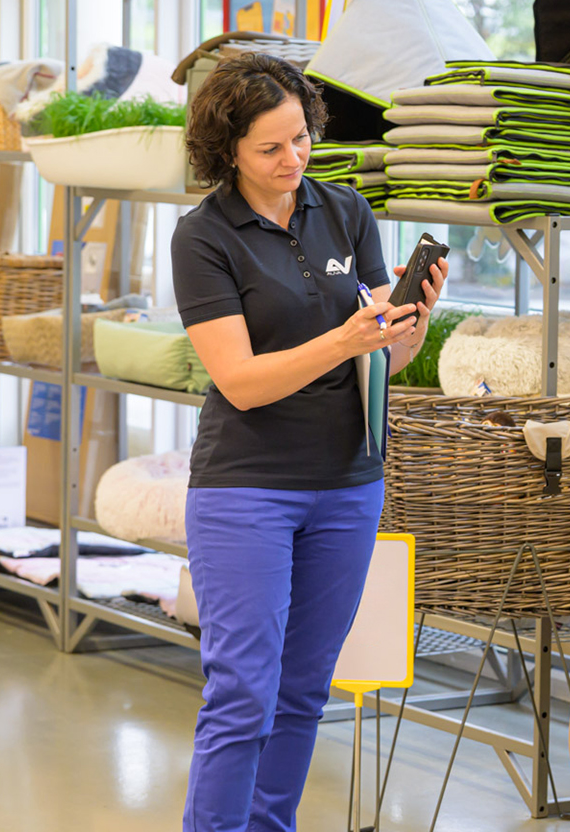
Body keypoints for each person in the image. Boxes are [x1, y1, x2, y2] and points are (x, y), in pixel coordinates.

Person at [171, 52, 448, 832]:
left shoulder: (346, 210)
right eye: (270, 148)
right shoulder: (202, 238)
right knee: (242, 693)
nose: (292, 159)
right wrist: (345, 338)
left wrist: (410, 323)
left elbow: (383, 358)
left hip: (349, 482)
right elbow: (242, 381)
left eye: (301, 138)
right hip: (245, 488)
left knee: (302, 691)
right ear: (228, 151)